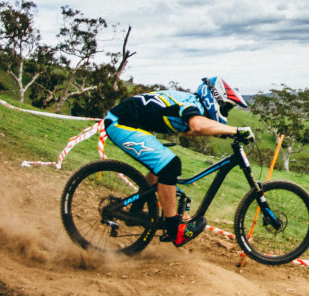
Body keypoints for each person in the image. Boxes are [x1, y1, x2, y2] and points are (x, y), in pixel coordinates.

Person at [104, 77, 253, 246]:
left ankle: (136, 210)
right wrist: (235, 130)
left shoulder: (193, 104)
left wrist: (225, 132)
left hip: (128, 123)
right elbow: (196, 126)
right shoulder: (192, 105)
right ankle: (174, 230)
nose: (225, 112)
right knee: (170, 165)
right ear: (214, 99)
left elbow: (188, 132)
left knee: (161, 166)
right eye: (225, 108)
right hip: (120, 123)